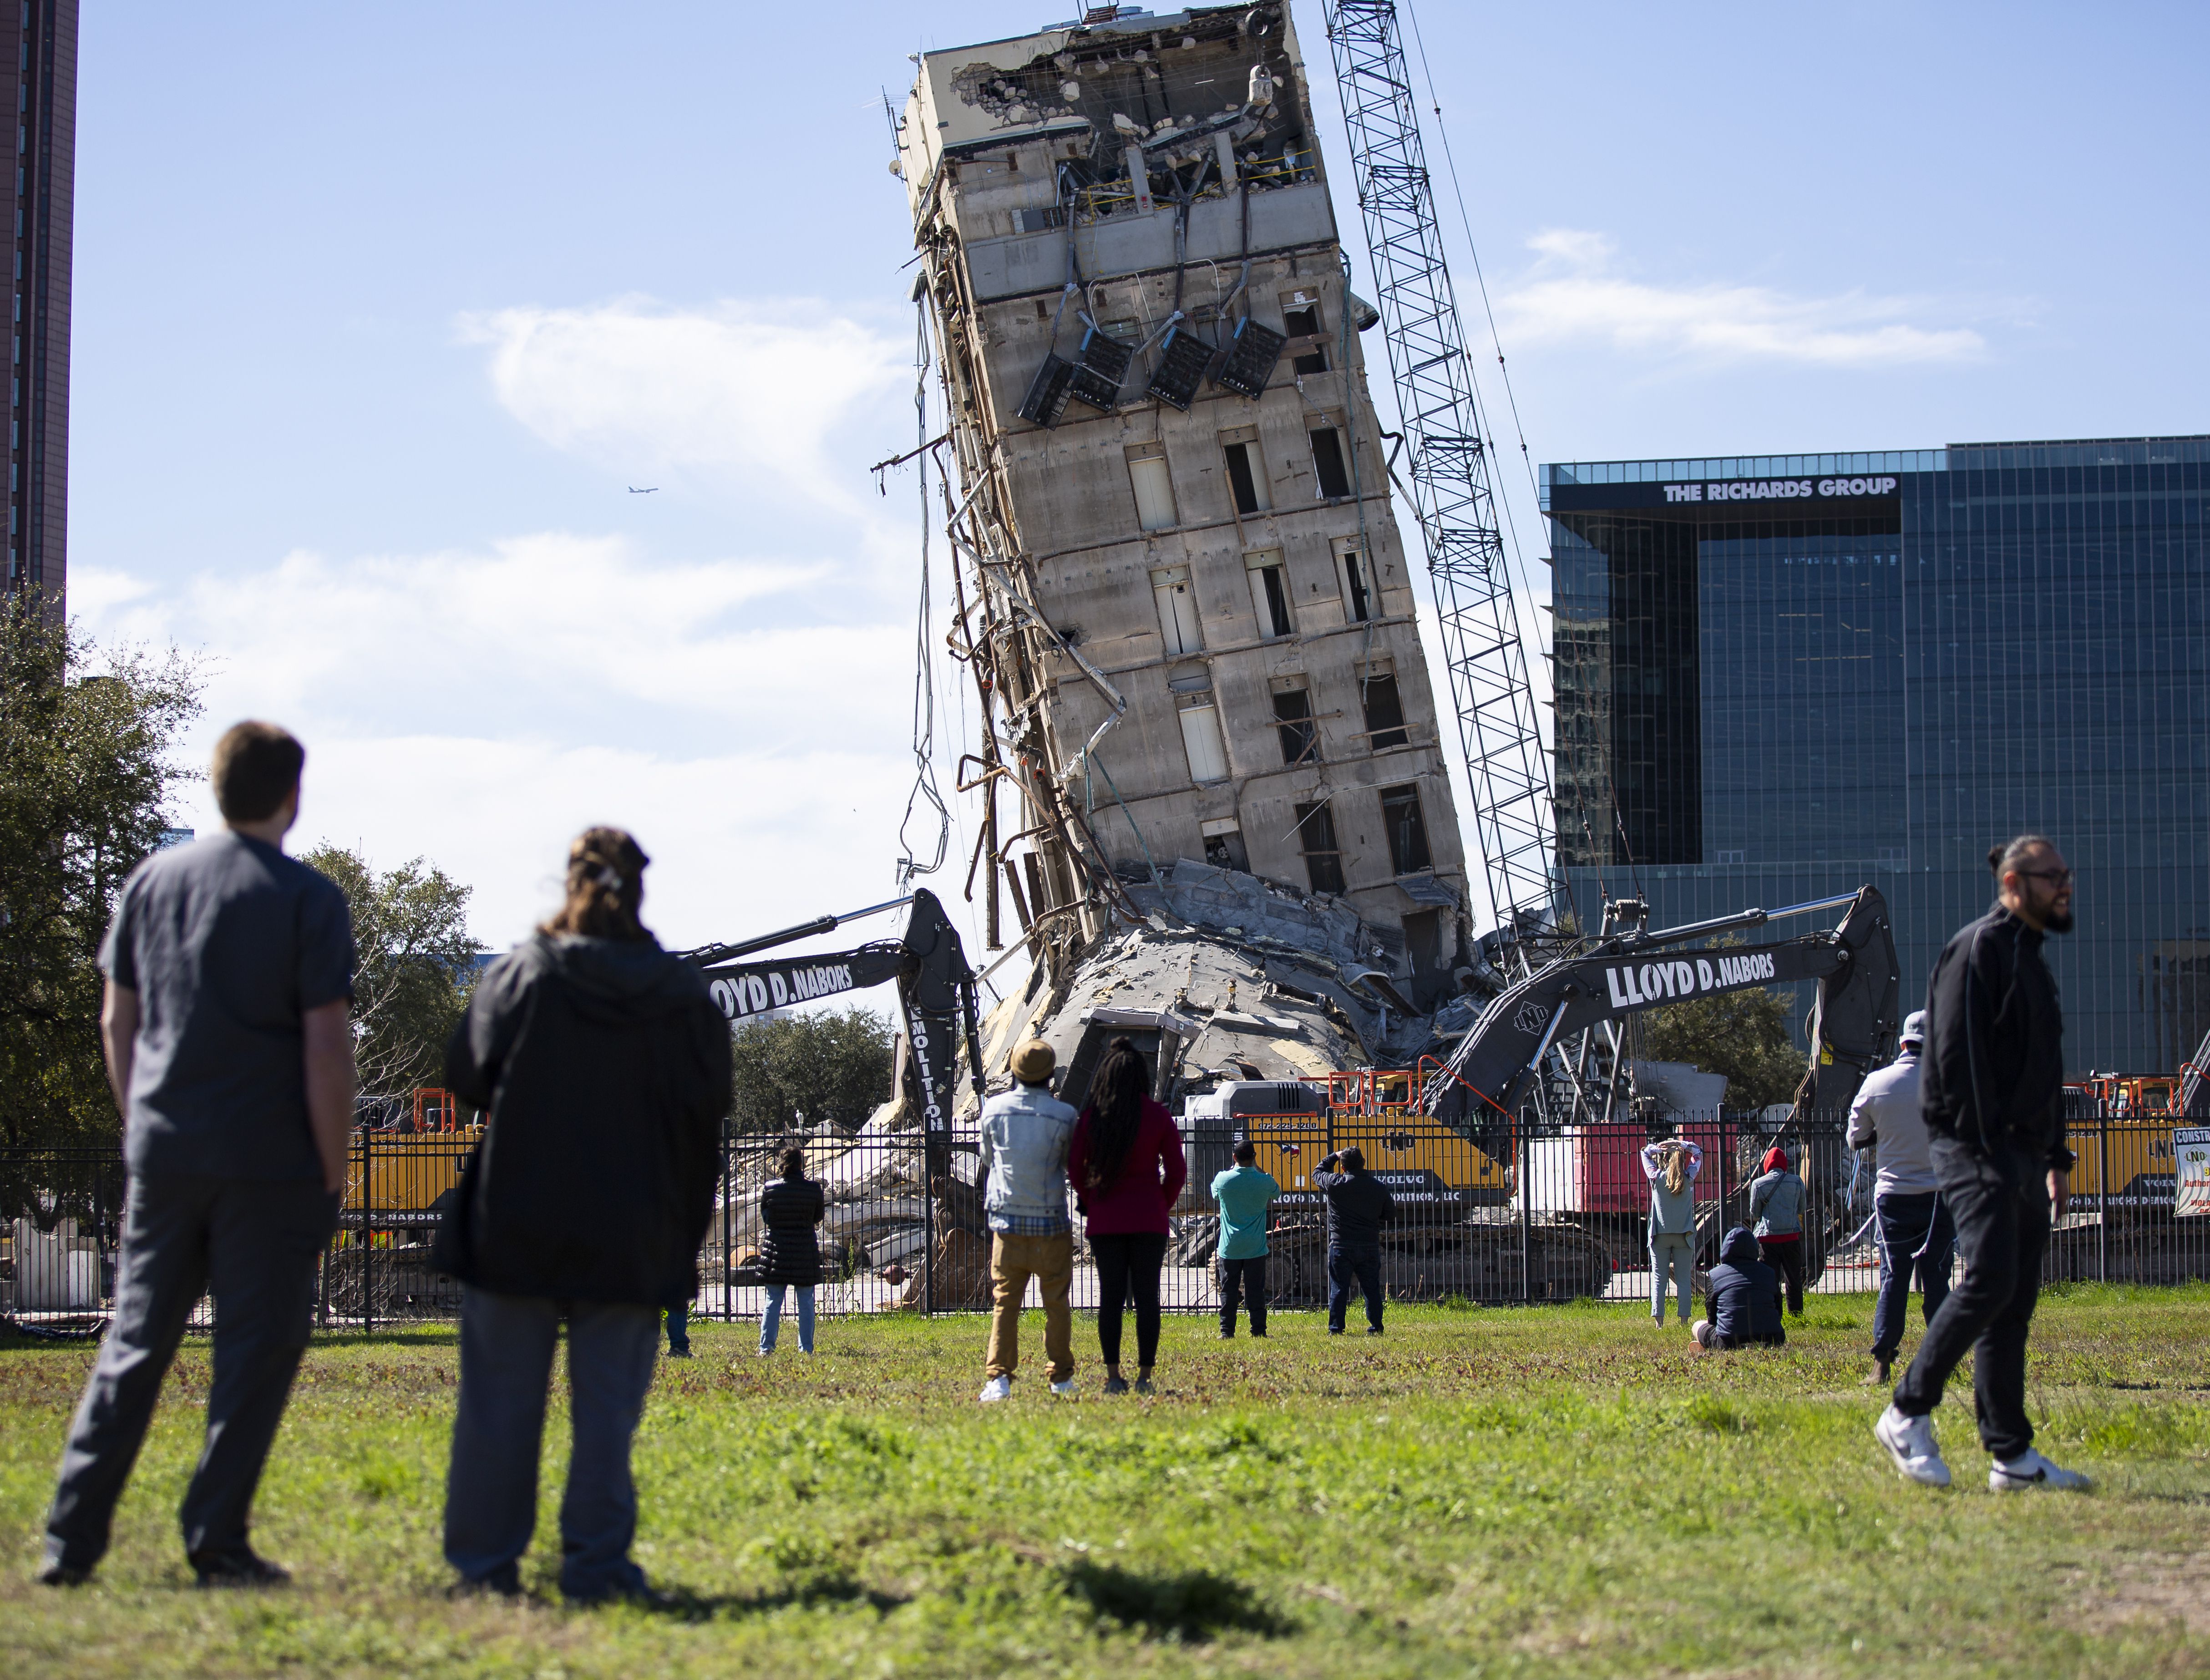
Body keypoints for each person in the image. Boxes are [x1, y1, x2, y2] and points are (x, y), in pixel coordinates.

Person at [41, 723, 355, 1589]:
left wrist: (143, 1118)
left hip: (167, 1150)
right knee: (255, 1351)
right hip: (270, 1162)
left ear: (217, 790)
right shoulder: (309, 901)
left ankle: (72, 1538)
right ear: (293, 796)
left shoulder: (151, 883)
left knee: (136, 1341)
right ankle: (216, 1536)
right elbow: (327, 1051)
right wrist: (331, 1171)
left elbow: (118, 1021)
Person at [434, 827, 730, 1600]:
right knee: (606, 1414)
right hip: (631, 1228)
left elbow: (466, 1076)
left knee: (498, 1405)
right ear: (641, 888)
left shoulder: (524, 973)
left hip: (516, 1220)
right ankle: (597, 1566)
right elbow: (706, 1121)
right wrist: (684, 1234)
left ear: (568, 883)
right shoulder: (679, 994)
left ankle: (483, 1567)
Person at [1875, 836, 2092, 1492]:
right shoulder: (1977, 949)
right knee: (1990, 1277)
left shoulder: (2031, 958)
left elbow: (2044, 1071)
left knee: (2013, 1303)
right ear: (2013, 882)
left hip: (2025, 1153)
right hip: (1976, 1147)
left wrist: (2054, 1156)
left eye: (2066, 875)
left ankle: (2012, 1456)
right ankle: (1906, 1410)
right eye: (2053, 876)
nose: (2065, 886)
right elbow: (1956, 1059)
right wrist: (1988, 1146)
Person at [1069, 1038, 1186, 1395]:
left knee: (1111, 1298)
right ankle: (1145, 1377)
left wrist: (1093, 1199)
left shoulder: (1092, 1118)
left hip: (1106, 1219)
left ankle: (1113, 1375)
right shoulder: (1157, 1116)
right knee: (1148, 1297)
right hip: (1149, 1217)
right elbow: (1178, 1171)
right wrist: (1159, 1203)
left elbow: (1075, 1167)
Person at [1847, 1011, 1954, 1385]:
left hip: (1893, 1197)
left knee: (1894, 1278)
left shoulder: (1877, 1082)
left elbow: (1856, 1137)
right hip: (1940, 1196)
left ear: (1903, 1042)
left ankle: (1882, 1363)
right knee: (1938, 1278)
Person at [975, 1037, 1079, 1403]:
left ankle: (999, 1378)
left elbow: (988, 1158)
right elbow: (1070, 1164)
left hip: (1007, 1222)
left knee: (1005, 1301)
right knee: (1057, 1302)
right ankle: (1061, 1377)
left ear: (1014, 1071)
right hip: (1051, 1222)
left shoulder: (993, 1110)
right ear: (1051, 1074)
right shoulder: (1064, 1115)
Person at [1313, 1146, 1395, 1335]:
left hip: (1341, 1245)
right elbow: (1390, 1214)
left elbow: (1317, 1173)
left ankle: (1336, 1328)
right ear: (1364, 1163)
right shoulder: (1378, 1187)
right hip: (1368, 1244)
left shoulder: (1335, 1184)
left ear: (1342, 1168)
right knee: (1371, 1288)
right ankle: (1376, 1327)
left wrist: (1335, 1155)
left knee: (1339, 1289)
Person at [758, 1147, 825, 1356]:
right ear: (801, 1164)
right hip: (804, 1250)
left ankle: (766, 1347)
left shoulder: (770, 1189)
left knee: (773, 1301)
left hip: (777, 1250)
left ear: (781, 1164)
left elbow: (767, 1218)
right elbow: (818, 1217)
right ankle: (806, 1349)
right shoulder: (813, 1190)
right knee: (805, 1302)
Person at [1211, 1141, 1281, 1339]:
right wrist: (1258, 1169)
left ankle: (1227, 1331)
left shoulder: (1223, 1180)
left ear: (1234, 1157)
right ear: (1254, 1157)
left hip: (1230, 1247)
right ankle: (1258, 1331)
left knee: (1229, 1290)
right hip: (1255, 1247)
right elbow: (1277, 1192)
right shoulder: (1264, 1181)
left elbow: (1214, 1193)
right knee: (1256, 1291)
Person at [1640, 1136, 1703, 1327]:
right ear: (1681, 1160)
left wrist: (1658, 1149)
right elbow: (1699, 1154)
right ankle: (1684, 1321)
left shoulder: (1655, 1177)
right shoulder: (1689, 1177)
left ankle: (1659, 1323)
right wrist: (1682, 1145)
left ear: (1665, 1160)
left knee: (1659, 1279)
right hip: (1684, 1235)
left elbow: (1644, 1153)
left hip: (1660, 1234)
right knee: (1684, 1279)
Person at [1693, 1226, 1785, 1349]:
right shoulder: (1769, 1272)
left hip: (1729, 1341)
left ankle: (1707, 1346)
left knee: (1697, 1325)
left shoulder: (1715, 1275)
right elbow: (1778, 1308)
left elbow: (1711, 1313)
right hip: (1773, 1338)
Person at [1748, 1144, 1806, 1316]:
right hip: (1791, 1237)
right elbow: (1801, 1208)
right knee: (1794, 1278)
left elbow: (1755, 1213)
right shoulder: (1797, 1182)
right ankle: (1796, 1314)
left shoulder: (1758, 1184)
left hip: (1768, 1240)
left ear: (1767, 1164)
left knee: (1771, 1280)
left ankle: (1774, 1313)